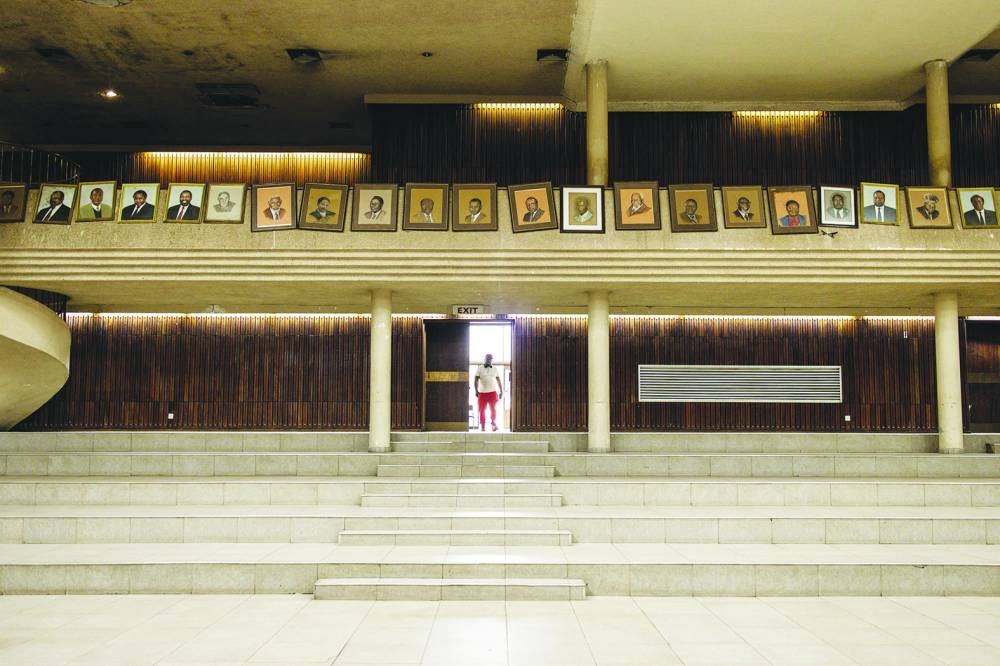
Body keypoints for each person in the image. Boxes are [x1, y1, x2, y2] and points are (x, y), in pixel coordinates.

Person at [473, 353, 504, 432]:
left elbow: (498, 380)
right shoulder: (480, 368)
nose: (489, 360)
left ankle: (493, 424)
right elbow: (476, 380)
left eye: (490, 359)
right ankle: (483, 426)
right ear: (485, 359)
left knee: (493, 409)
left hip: (493, 392)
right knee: (482, 410)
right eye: (488, 359)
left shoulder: (495, 369)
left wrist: (501, 391)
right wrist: (476, 390)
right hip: (482, 393)